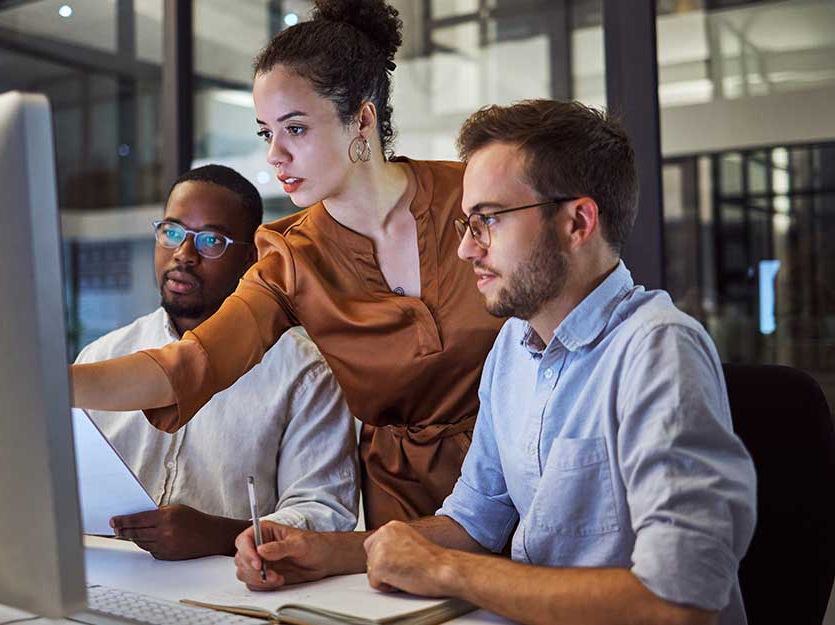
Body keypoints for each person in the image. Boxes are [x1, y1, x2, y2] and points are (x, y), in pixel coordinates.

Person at [234, 100, 757, 625]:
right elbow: (473, 522)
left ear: (578, 222)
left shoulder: (658, 351)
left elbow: (679, 602)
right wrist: (328, 552)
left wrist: (446, 572)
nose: (465, 249)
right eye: (466, 223)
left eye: (487, 220)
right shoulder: (513, 346)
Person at [70, 0, 504, 527]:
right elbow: (191, 365)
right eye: (265, 132)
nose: (274, 154)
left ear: (361, 119)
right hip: (405, 508)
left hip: (524, 471)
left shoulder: (473, 195)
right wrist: (53, 383)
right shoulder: (289, 257)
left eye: (295, 128)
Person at [76, 165, 358, 560]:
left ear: (250, 258)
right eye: (172, 232)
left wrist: (219, 535)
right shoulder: (103, 356)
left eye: (211, 240)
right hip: (107, 572)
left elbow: (326, 513)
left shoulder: (305, 373)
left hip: (232, 588)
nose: (184, 254)